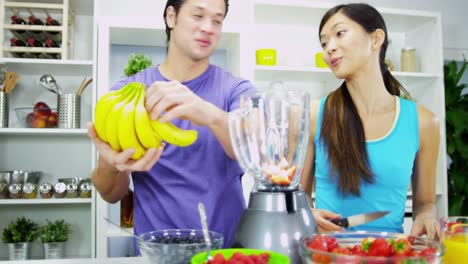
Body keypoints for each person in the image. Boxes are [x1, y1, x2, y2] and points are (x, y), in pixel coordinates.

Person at [87, 0, 256, 248]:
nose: (208, 27)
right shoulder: (128, 96)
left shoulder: (237, 90)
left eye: (217, 20)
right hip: (155, 253)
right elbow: (112, 194)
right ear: (171, 17)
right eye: (198, 15)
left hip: (226, 253)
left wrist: (207, 112)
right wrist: (111, 166)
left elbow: (256, 149)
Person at [300, 3, 441, 239]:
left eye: (340, 33)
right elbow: (298, 196)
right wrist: (307, 214)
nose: (329, 49)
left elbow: (425, 203)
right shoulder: (313, 115)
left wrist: (427, 215)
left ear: (375, 39)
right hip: (327, 254)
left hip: (389, 254)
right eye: (324, 43)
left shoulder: (424, 122)